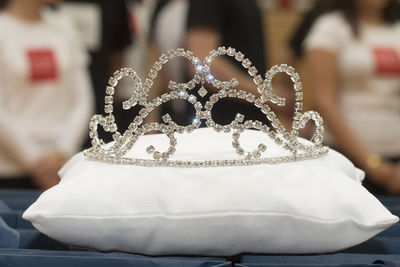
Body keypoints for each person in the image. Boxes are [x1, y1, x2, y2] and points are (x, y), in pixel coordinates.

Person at [305, 0, 400, 194]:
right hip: (345, 159)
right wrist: (372, 164)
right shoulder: (330, 27)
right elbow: (325, 102)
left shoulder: (396, 28)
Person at [0, 0, 93, 189]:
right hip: (11, 172)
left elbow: (82, 100)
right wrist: (35, 160)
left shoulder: (64, 26)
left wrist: (62, 151)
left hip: (64, 165)